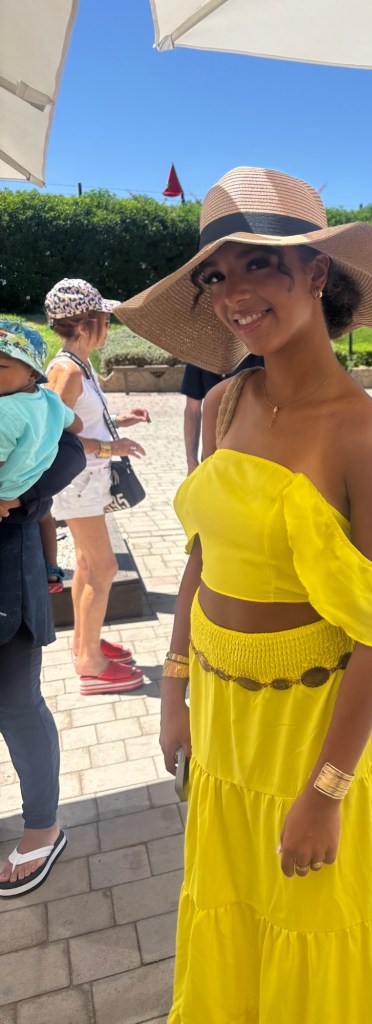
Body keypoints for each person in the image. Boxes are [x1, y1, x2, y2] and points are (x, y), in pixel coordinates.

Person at [116, 167, 372, 1024]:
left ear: (318, 272)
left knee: (321, 940)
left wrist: (327, 792)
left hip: (317, 729)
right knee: (239, 917)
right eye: (216, 275)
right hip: (225, 719)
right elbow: (201, 557)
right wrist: (174, 691)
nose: (234, 294)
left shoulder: (368, 435)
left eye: (259, 264)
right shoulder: (225, 404)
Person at [44, 279, 150, 695]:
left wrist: (121, 420)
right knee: (104, 568)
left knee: (90, 564)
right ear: (84, 323)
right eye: (104, 317)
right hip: (79, 483)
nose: (108, 323)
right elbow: (54, 437)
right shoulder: (68, 370)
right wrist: (111, 447)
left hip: (87, 481)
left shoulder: (79, 364)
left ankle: (83, 644)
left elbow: (80, 421)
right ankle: (90, 663)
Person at [0, 405, 87, 898]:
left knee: (16, 705)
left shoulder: (25, 389)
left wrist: (18, 493)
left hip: (8, 580)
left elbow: (70, 447)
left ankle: (42, 826)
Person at [0, 321, 82, 594]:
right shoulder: (49, 399)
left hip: (5, 495)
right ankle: (52, 569)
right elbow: (77, 426)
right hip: (35, 486)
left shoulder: (5, 411)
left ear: (32, 374)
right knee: (45, 516)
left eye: (1, 366)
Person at [181, 354, 263, 474]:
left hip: (254, 459)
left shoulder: (260, 352)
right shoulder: (199, 354)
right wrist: (191, 461)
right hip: (212, 457)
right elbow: (192, 411)